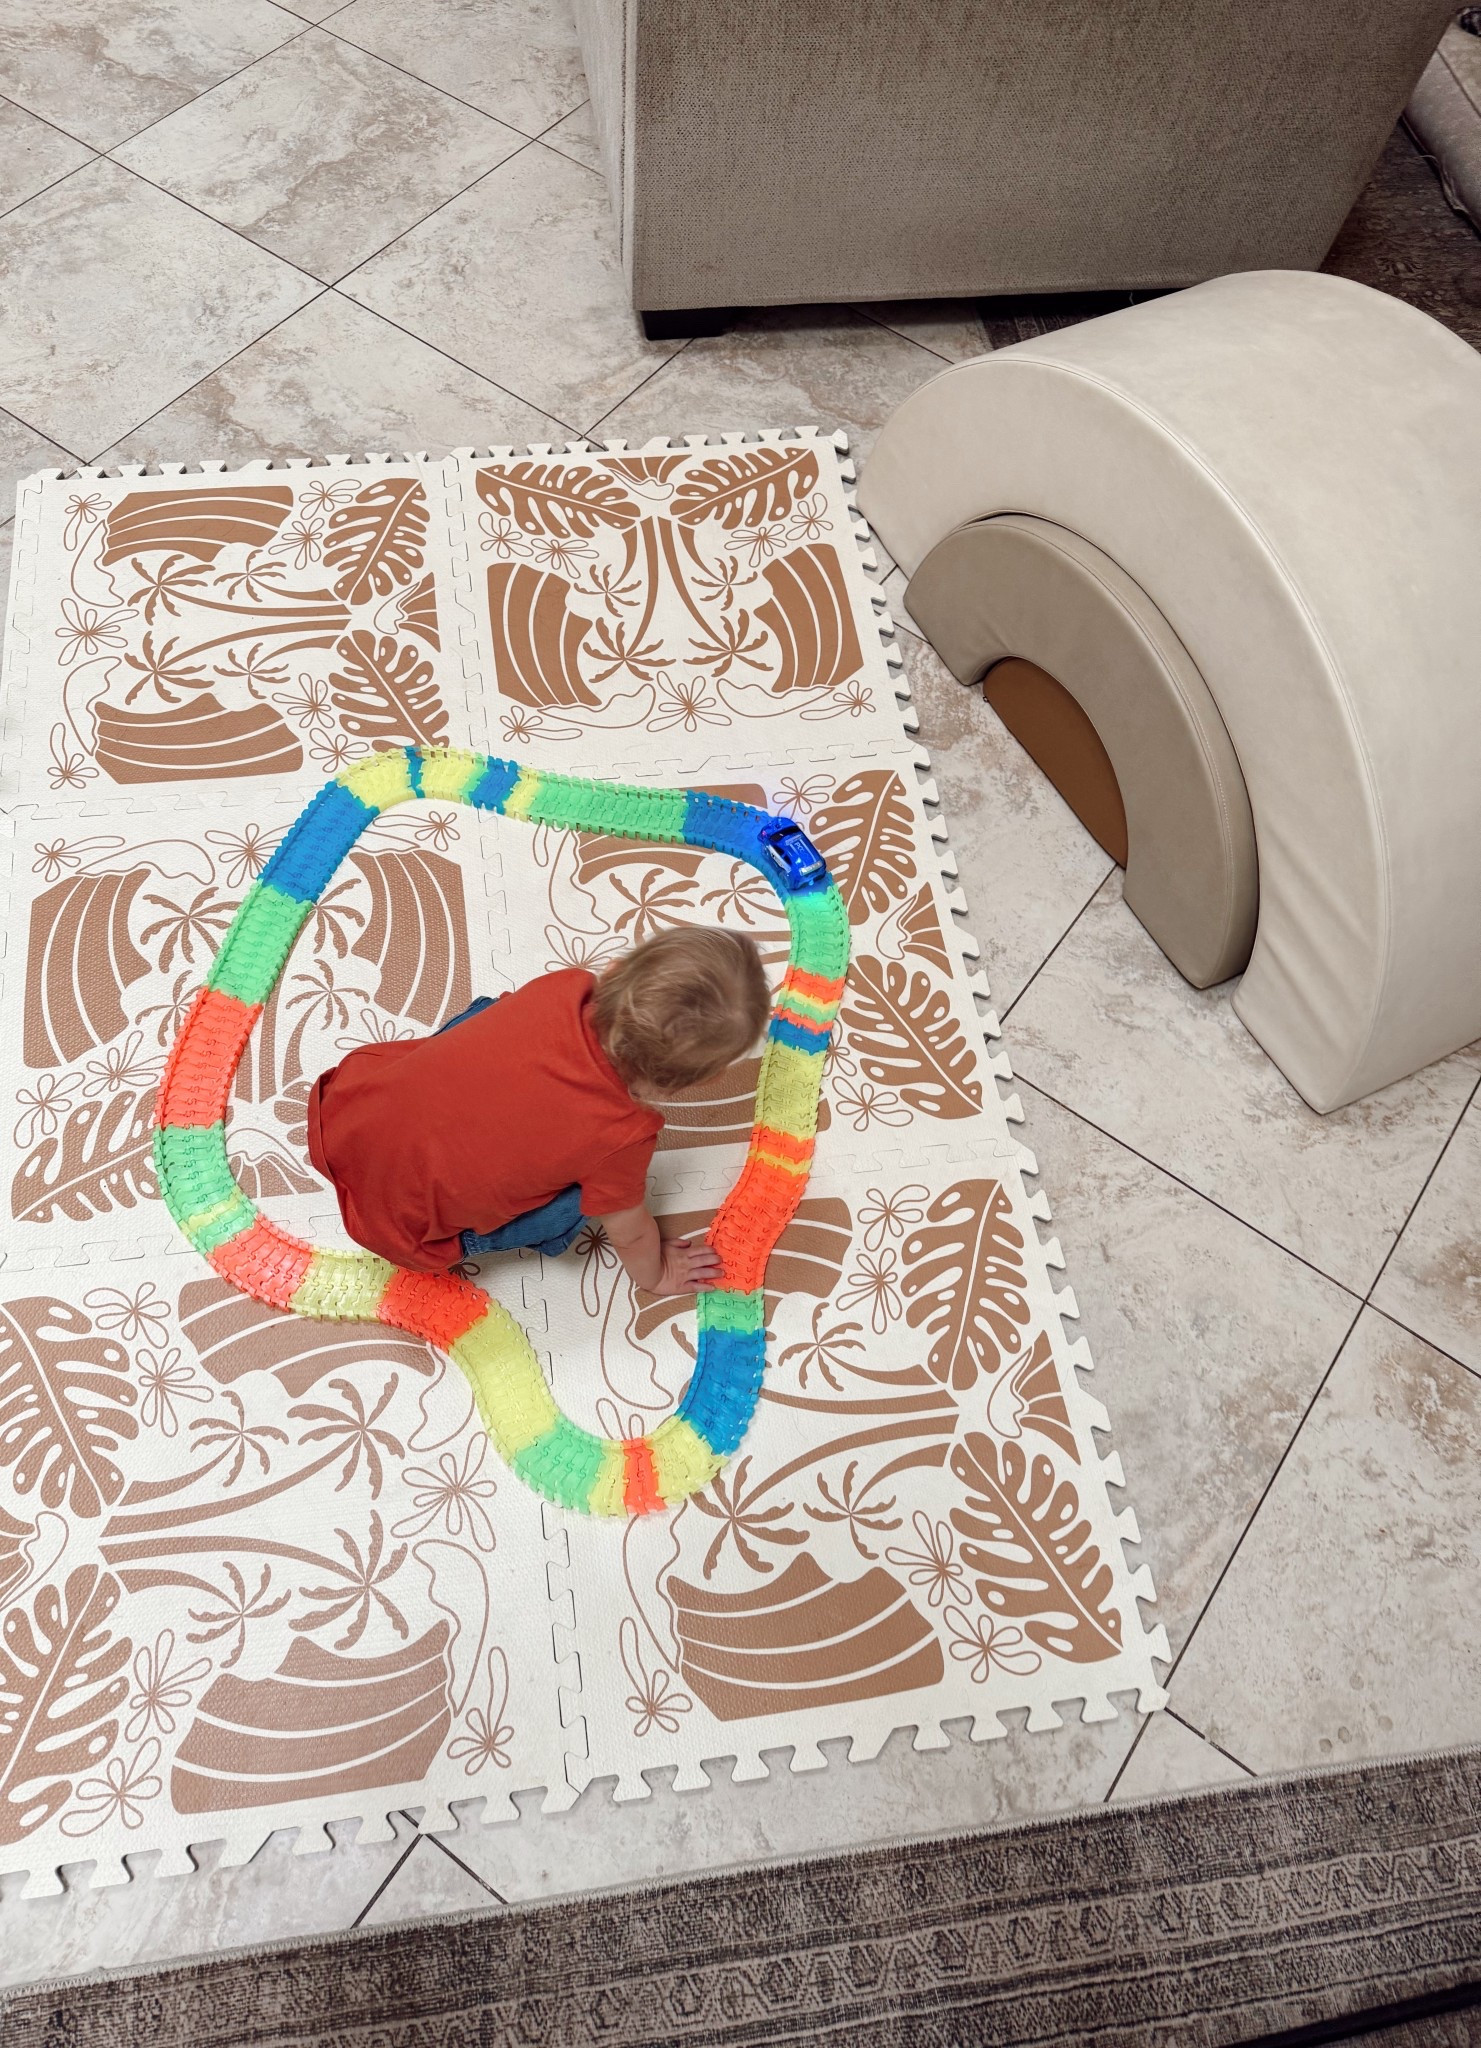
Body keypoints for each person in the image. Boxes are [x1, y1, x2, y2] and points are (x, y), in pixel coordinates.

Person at [306, 926, 770, 1292]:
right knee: (592, 1201)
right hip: (402, 1231)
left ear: (615, 968)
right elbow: (629, 1233)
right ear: (685, 1085)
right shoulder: (626, 1136)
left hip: (343, 1115)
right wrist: (655, 1275)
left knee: (492, 1010)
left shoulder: (566, 987)